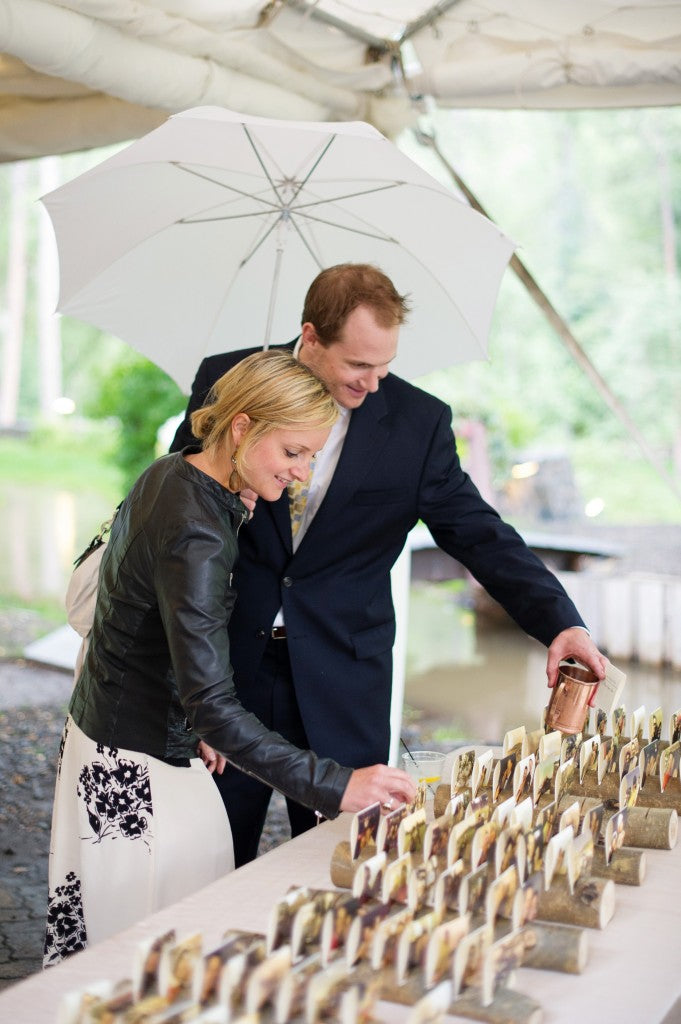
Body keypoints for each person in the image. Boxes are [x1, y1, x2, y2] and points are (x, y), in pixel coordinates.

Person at [170, 262, 608, 867]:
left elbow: (481, 534)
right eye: (357, 365)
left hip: (344, 678)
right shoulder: (227, 380)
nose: (373, 383)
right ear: (311, 337)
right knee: (208, 853)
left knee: (345, 864)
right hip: (227, 670)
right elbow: (181, 518)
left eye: (385, 366)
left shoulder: (419, 423)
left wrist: (561, 621)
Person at [43, 350, 415, 966]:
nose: (300, 473)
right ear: (241, 427)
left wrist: (196, 713)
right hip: (136, 763)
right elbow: (213, 708)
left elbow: (143, 629)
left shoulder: (175, 472)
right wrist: (338, 782)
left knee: (135, 930)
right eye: (292, 453)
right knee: (152, 952)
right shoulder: (199, 530)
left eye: (311, 457)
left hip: (105, 733)